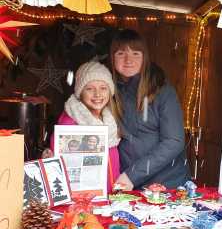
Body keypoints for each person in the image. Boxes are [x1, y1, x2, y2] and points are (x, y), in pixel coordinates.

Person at [110, 29, 191, 190]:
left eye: (136, 53)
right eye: (121, 53)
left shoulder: (162, 90)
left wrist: (133, 174)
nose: (128, 60)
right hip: (128, 184)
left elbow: (174, 141)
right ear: (112, 57)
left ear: (144, 57)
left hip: (166, 185)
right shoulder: (109, 90)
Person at [43, 61, 120, 192]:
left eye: (103, 88)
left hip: (110, 192)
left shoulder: (109, 118)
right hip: (84, 197)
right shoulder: (69, 122)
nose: (97, 94)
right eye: (89, 88)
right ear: (80, 92)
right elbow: (58, 161)